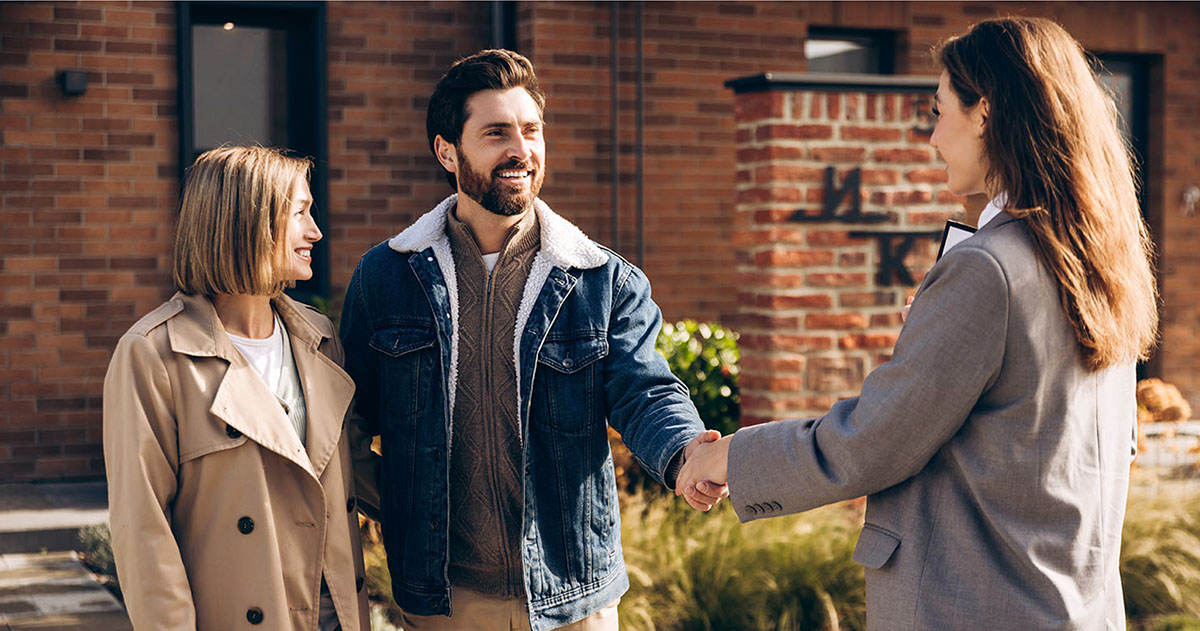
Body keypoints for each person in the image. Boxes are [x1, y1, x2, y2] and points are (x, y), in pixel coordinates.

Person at [678, 17, 1158, 631]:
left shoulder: (990, 270)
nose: (932, 139)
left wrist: (732, 461)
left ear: (983, 114)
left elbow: (875, 438)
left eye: (938, 112)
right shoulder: (1095, 260)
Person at [339, 49, 726, 631]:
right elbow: (347, 420)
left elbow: (645, 391)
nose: (521, 150)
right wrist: (401, 507)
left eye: (531, 130)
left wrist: (687, 453)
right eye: (496, 133)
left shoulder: (601, 279)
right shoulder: (386, 278)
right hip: (445, 601)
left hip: (576, 599)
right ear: (447, 151)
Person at [103, 146, 369, 631]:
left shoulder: (320, 338)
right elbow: (145, 536)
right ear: (246, 222)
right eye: (301, 214)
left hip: (336, 617)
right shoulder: (154, 354)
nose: (316, 232)